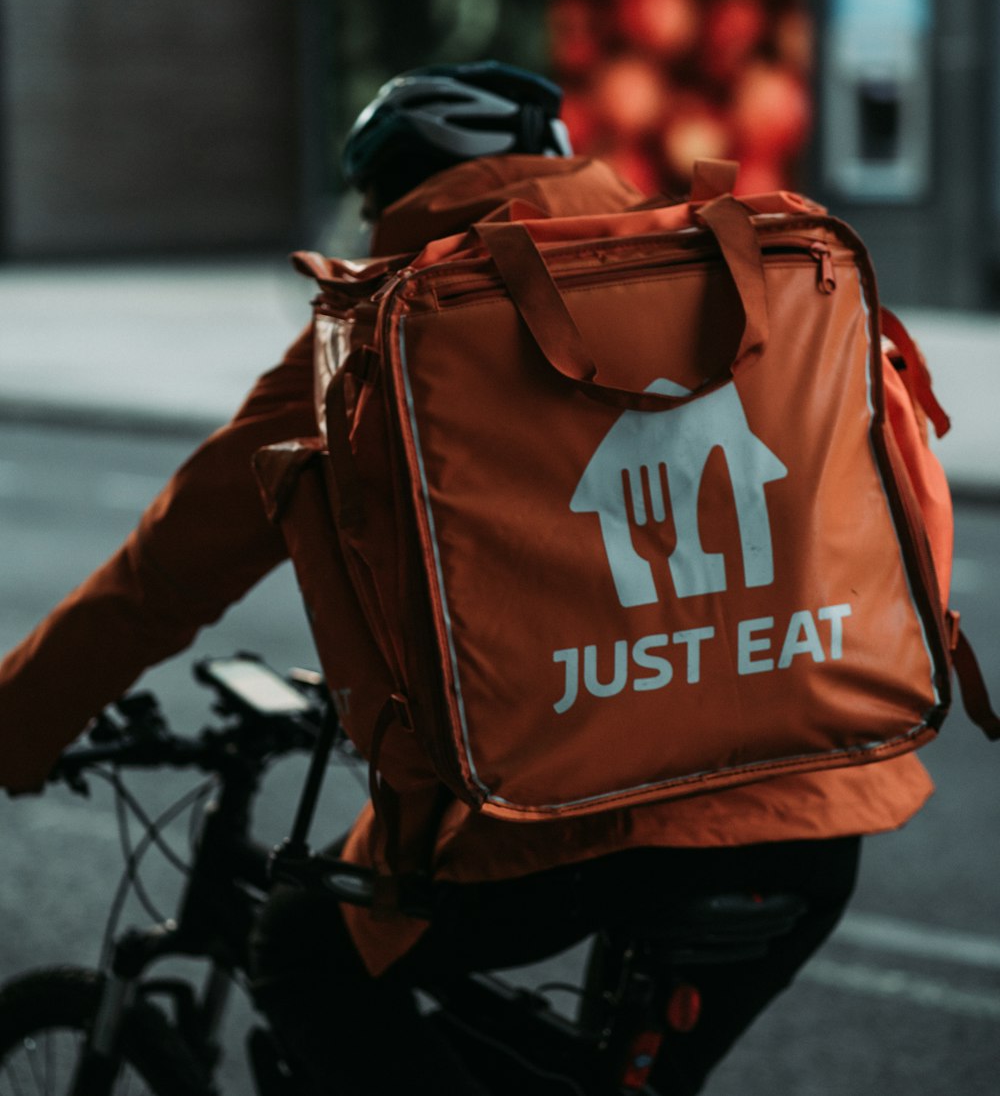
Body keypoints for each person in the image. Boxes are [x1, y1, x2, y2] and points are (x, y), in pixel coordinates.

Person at [0, 62, 943, 1095]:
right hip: (817, 805)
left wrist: (20, 722)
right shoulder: (723, 274)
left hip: (566, 815)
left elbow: (167, 569)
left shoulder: (374, 332)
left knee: (304, 946)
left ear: (396, 188)